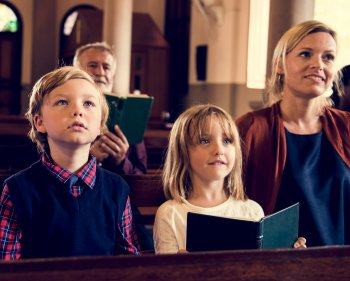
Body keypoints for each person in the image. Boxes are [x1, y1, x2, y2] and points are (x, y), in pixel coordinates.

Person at [0, 66, 139, 260]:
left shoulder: (116, 189)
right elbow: (6, 267)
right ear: (39, 122)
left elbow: (130, 263)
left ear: (100, 126)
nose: (77, 110)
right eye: (63, 102)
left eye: (89, 103)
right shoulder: (17, 189)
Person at [236, 20, 350, 247]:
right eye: (306, 54)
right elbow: (229, 204)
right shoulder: (251, 128)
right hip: (278, 265)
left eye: (327, 57)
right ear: (279, 64)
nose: (318, 64)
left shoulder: (346, 127)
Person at [153, 104, 306, 253]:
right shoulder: (170, 214)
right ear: (183, 151)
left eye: (227, 141)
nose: (219, 149)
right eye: (205, 141)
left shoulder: (252, 211)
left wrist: (289, 255)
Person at [73, 42, 147, 175]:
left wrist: (121, 161)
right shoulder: (64, 110)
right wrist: (86, 157)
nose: (100, 72)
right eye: (93, 65)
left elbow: (141, 174)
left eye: (106, 67)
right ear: (76, 71)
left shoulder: (129, 115)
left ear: (112, 76)